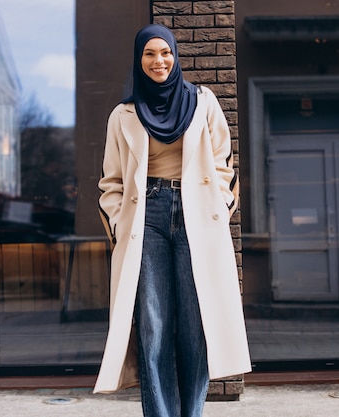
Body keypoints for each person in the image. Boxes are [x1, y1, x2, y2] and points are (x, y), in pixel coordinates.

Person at [94, 24, 251, 417]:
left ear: (175, 55)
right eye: (149, 53)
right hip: (145, 216)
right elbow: (110, 181)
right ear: (139, 59)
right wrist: (118, 222)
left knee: (195, 324)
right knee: (154, 325)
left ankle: (192, 412)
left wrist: (219, 207)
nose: (158, 60)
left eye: (164, 52)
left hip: (197, 214)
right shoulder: (123, 114)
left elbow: (223, 164)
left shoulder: (203, 102)